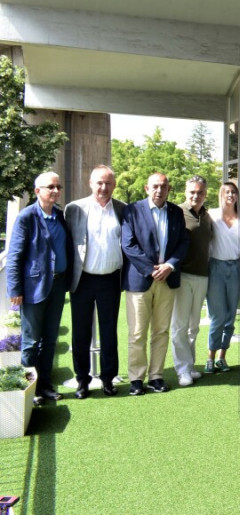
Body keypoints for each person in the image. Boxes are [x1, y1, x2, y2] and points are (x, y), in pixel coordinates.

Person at [121, 173, 189, 395]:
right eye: (155, 186)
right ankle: (136, 378)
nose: (159, 190)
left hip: (167, 279)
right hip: (140, 280)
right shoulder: (132, 210)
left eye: (164, 186)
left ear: (169, 189)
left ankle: (156, 376)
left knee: (161, 331)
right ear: (146, 188)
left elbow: (183, 243)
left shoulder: (176, 212)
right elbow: (128, 245)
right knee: (137, 332)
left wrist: (170, 265)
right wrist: (151, 269)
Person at [7, 172, 72, 402]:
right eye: (50, 187)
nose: (55, 190)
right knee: (31, 342)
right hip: (34, 287)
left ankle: (45, 386)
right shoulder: (27, 217)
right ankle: (29, 390)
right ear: (37, 191)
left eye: (58, 187)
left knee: (49, 339)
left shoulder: (60, 215)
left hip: (58, 285)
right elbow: (14, 255)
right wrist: (15, 289)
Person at [64, 165, 124, 398]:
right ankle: (82, 380)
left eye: (108, 183)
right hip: (83, 280)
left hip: (111, 279)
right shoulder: (74, 208)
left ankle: (108, 379)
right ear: (90, 183)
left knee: (109, 332)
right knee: (81, 332)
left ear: (114, 185)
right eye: (99, 182)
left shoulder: (122, 209)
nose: (103, 187)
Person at [170, 176, 213, 387]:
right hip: (182, 276)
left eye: (200, 192)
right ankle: (182, 370)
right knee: (180, 325)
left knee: (193, 326)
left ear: (205, 193)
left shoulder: (207, 216)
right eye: (192, 192)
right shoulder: (176, 213)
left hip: (202, 276)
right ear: (186, 192)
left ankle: (190, 365)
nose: (196, 196)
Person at [205, 181, 240, 374]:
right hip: (216, 268)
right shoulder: (212, 215)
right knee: (217, 316)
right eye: (227, 192)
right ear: (221, 195)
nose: (230, 195)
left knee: (230, 316)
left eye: (233, 192)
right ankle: (210, 358)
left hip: (235, 268)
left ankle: (222, 357)